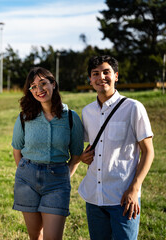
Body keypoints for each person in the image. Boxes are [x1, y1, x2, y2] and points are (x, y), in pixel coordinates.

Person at [78, 55, 154, 240]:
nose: (101, 77)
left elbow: (148, 152)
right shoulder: (87, 112)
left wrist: (134, 190)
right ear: (90, 79)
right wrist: (82, 157)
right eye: (95, 74)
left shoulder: (133, 107)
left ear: (116, 76)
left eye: (106, 72)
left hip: (123, 197)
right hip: (94, 198)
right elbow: (92, 147)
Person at [11, 67, 84, 240]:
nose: (39, 90)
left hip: (57, 182)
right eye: (33, 86)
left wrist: (65, 175)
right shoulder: (24, 117)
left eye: (43, 83)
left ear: (53, 84)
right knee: (35, 237)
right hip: (26, 181)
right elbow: (17, 150)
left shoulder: (71, 117)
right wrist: (25, 171)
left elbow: (76, 154)